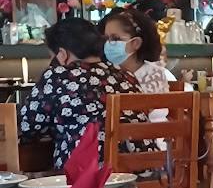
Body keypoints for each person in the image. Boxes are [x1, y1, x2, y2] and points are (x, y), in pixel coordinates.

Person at [19, 16, 141, 170]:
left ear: (62, 54)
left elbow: (27, 129)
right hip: (142, 170)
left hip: (90, 175)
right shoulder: (126, 75)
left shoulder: (59, 75)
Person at [104, 7, 173, 94]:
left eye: (116, 38)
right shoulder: (106, 71)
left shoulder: (151, 75)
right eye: (106, 38)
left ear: (136, 43)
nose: (108, 43)